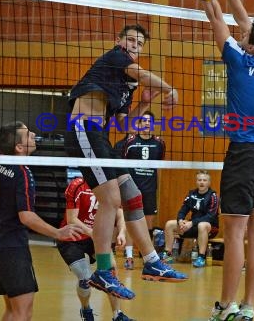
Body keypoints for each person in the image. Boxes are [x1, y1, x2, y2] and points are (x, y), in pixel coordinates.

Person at [180, 0, 254, 321]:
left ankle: (225, 306)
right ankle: (249, 307)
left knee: (235, 234)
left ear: (251, 47)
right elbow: (242, 20)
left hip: (244, 154)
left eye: (246, 37)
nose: (242, 33)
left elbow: (217, 18)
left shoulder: (238, 60)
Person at [65, 24, 187, 301]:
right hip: (82, 129)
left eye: (139, 42)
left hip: (102, 137)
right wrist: (170, 90)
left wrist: (144, 103)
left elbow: (125, 124)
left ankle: (153, 261)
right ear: (119, 41)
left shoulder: (128, 83)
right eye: (130, 40)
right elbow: (141, 73)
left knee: (132, 194)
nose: (134, 45)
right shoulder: (116, 57)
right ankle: (105, 271)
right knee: (110, 199)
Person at [0, 121, 81, 320]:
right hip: (12, 248)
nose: (33, 134)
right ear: (18, 147)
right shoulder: (22, 173)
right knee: (23, 312)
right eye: (28, 134)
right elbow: (26, 217)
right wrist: (58, 233)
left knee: (12, 310)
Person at [57, 176, 134, 321]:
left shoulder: (110, 185)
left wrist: (122, 232)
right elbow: (72, 219)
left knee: (111, 272)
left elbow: (119, 212)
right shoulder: (77, 185)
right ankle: (86, 309)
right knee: (85, 278)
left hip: (96, 238)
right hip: (71, 237)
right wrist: (94, 233)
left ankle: (117, 314)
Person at [115, 110, 166, 270]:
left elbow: (159, 167)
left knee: (148, 224)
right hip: (132, 188)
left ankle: (147, 257)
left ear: (153, 124)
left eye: (149, 121)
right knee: (131, 222)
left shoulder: (159, 143)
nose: (146, 123)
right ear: (139, 123)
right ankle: (129, 256)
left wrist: (157, 188)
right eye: (143, 121)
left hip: (150, 189)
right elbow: (122, 166)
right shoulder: (129, 142)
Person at [161, 170, 219, 267]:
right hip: (193, 225)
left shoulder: (213, 196)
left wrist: (191, 223)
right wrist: (180, 221)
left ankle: (201, 257)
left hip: (210, 227)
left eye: (204, 180)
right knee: (169, 224)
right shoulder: (192, 194)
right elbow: (183, 210)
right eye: (199, 180)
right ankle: (167, 255)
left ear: (209, 183)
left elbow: (210, 216)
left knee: (202, 225)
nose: (202, 182)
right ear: (196, 182)